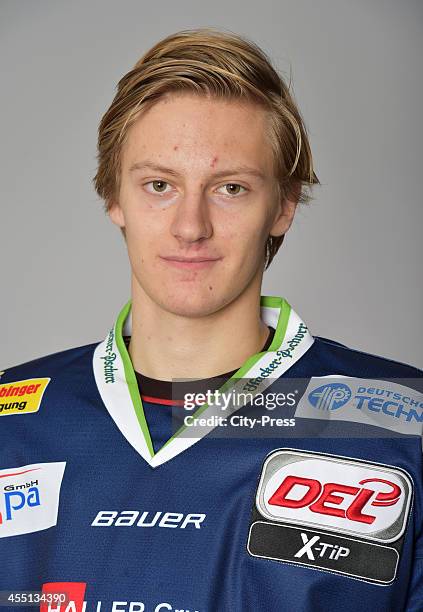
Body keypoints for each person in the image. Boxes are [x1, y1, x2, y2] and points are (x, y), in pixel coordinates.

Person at [1, 27, 422, 612]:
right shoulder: (11, 421)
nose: (190, 226)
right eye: (159, 185)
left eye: (230, 188)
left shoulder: (403, 424)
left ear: (283, 205)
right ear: (112, 196)